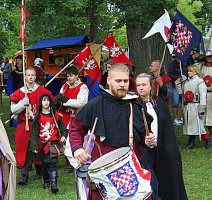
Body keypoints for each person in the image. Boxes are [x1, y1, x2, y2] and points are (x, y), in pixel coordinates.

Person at [69, 63, 156, 200]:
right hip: (103, 169)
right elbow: (76, 129)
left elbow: (146, 136)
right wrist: (78, 148)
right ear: (109, 80)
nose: (122, 84)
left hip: (130, 169)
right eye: (118, 81)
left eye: (125, 81)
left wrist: (148, 141)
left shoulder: (136, 105)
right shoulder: (95, 104)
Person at [136, 73, 187, 200]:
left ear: (150, 86)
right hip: (144, 150)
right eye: (138, 85)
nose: (141, 88)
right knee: (149, 182)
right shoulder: (134, 105)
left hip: (162, 148)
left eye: (144, 84)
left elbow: (167, 128)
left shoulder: (159, 103)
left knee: (166, 179)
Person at [10, 67, 53, 185]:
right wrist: (21, 104)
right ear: (25, 77)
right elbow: (13, 110)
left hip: (38, 124)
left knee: (39, 147)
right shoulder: (20, 92)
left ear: (35, 77)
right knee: (24, 148)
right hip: (24, 125)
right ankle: (24, 175)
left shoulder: (41, 91)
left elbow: (50, 104)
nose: (30, 77)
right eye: (28, 75)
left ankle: (40, 171)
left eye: (32, 75)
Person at [29, 94, 67, 194]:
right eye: (43, 100)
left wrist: (63, 136)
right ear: (41, 103)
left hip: (53, 145)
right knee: (45, 164)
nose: (46, 102)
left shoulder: (56, 116)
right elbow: (34, 133)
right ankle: (46, 182)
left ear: (50, 102)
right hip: (43, 145)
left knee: (53, 164)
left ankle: (54, 184)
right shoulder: (38, 117)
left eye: (47, 100)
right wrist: (34, 146)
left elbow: (63, 129)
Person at [55, 66, 89, 173]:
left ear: (76, 76)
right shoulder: (65, 86)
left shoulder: (82, 87)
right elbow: (59, 99)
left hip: (77, 118)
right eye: (67, 76)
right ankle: (70, 163)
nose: (69, 78)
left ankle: (79, 162)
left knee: (76, 140)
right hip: (65, 117)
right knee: (64, 141)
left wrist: (65, 100)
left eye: (71, 76)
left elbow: (80, 103)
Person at [183, 65, 211, 149]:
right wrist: (179, 82)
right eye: (188, 71)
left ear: (195, 72)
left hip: (196, 105)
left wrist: (202, 107)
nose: (188, 72)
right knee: (192, 125)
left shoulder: (200, 82)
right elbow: (181, 92)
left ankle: (207, 141)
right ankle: (192, 142)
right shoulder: (186, 82)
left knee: (199, 125)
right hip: (189, 106)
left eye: (191, 71)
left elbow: (203, 95)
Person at [167, 57, 188, 125]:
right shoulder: (171, 65)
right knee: (175, 102)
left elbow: (188, 72)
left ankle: (183, 117)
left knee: (184, 102)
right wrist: (178, 78)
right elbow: (169, 74)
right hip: (175, 86)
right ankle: (176, 118)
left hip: (184, 85)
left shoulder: (185, 64)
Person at [200, 50, 212, 143]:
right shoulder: (200, 68)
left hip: (211, 93)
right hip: (203, 94)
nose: (210, 58)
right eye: (208, 57)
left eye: (211, 57)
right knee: (204, 116)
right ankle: (206, 136)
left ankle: (211, 136)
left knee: (211, 116)